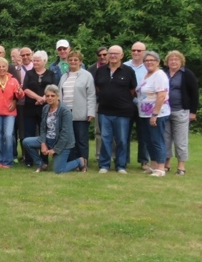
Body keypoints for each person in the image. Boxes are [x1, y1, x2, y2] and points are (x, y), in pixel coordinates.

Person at [22, 85, 87, 173]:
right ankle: (41, 164)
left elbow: (65, 134)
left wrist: (55, 149)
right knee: (26, 142)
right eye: (47, 96)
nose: (50, 98)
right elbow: (43, 128)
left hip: (63, 143)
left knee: (58, 170)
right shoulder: (45, 108)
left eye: (52, 96)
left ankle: (80, 161)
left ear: (58, 96)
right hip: (48, 139)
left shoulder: (65, 111)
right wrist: (43, 143)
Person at [94, 45, 137, 174]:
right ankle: (104, 165)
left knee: (122, 140)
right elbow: (98, 88)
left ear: (122, 55)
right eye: (110, 53)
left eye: (116, 53)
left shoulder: (128, 71)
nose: (113, 56)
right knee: (105, 139)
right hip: (104, 111)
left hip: (123, 112)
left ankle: (121, 166)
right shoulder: (100, 71)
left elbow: (132, 90)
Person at [163, 51, 198, 175]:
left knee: (180, 140)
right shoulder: (163, 73)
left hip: (181, 111)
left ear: (181, 62)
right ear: (167, 62)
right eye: (171, 59)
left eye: (176, 59)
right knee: (165, 139)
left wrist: (193, 112)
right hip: (165, 111)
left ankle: (181, 166)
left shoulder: (187, 74)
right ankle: (166, 164)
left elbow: (194, 94)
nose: (173, 61)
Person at [136, 51, 171, 176]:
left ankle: (161, 168)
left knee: (157, 140)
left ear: (158, 62)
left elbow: (161, 96)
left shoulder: (159, 75)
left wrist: (154, 115)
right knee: (148, 140)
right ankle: (154, 165)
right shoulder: (147, 75)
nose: (149, 62)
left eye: (152, 60)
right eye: (146, 60)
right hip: (144, 114)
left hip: (157, 114)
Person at [59, 50, 96, 164]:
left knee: (81, 139)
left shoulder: (86, 76)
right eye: (71, 60)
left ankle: (83, 162)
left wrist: (91, 112)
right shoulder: (64, 76)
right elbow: (60, 94)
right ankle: (72, 162)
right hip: (66, 112)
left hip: (81, 112)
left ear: (80, 62)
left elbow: (91, 95)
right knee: (69, 139)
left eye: (76, 60)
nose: (73, 62)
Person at [22, 51, 57, 164]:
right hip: (30, 108)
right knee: (29, 133)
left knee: (44, 133)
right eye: (34, 60)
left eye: (37, 60)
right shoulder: (29, 73)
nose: (35, 62)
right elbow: (25, 88)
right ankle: (29, 160)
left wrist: (44, 98)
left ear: (44, 61)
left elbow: (53, 89)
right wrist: (38, 98)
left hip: (46, 108)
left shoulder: (51, 74)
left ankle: (44, 159)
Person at [125, 41, 150, 171]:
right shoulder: (124, 66)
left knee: (144, 134)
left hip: (144, 105)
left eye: (139, 51)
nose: (135, 53)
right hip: (127, 104)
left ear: (144, 52)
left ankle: (144, 161)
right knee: (124, 134)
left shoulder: (149, 66)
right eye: (133, 50)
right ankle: (123, 160)